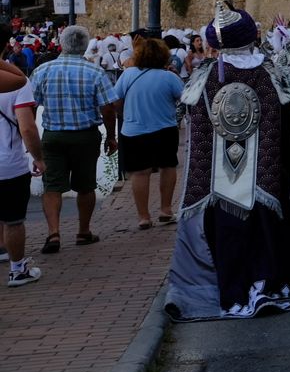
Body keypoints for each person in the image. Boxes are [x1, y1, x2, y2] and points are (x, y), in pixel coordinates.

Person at [166, 0, 290, 320]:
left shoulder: (203, 77)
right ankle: (264, 286)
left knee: (228, 234)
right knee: (265, 231)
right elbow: (289, 120)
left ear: (216, 42)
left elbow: (194, 126)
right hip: (265, 175)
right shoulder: (271, 74)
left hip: (219, 179)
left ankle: (235, 290)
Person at [28, 25, 115, 254]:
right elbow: (108, 108)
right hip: (85, 135)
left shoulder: (42, 70)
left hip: (53, 136)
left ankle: (53, 233)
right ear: (85, 45)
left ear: (61, 43)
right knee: (86, 186)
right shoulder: (95, 72)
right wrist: (112, 137)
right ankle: (83, 231)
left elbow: (30, 106)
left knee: (52, 186)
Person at [110, 36, 184, 231]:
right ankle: (166, 210)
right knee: (167, 167)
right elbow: (184, 97)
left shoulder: (128, 75)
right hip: (164, 129)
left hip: (134, 130)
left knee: (139, 173)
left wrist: (124, 113)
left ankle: (143, 216)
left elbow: (115, 101)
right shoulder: (169, 77)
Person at [0, 58, 40, 286]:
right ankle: (17, 269)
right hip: (7, 162)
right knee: (13, 219)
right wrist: (38, 157)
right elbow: (26, 126)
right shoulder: (17, 82)